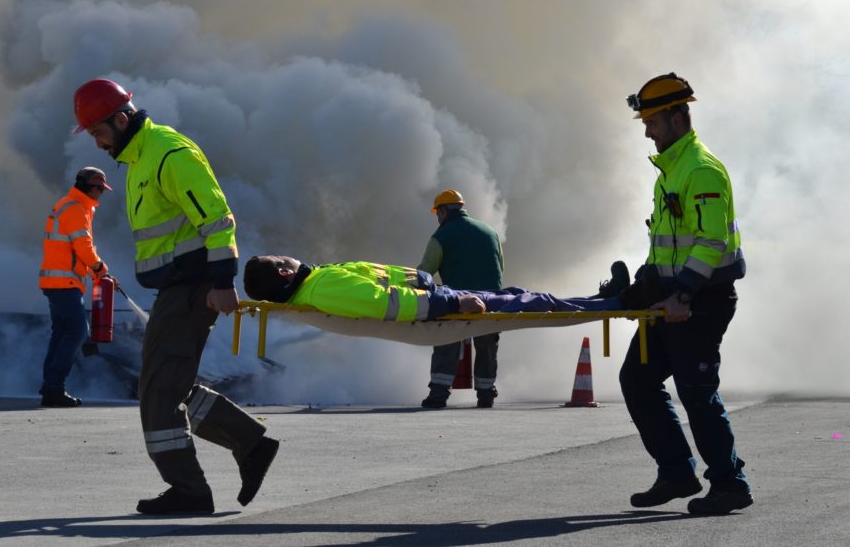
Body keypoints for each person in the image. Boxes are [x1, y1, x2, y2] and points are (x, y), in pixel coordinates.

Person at [73, 78, 278, 515]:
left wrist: (223, 282)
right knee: (171, 383)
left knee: (158, 392)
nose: (97, 143)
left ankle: (189, 490)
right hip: (178, 288)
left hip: (192, 287)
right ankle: (249, 443)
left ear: (121, 119)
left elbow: (218, 220)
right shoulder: (142, 158)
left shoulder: (168, 152)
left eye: (98, 132)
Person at [618, 72, 752, 516]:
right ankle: (676, 472)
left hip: (703, 301)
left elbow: (711, 242)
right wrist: (641, 286)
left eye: (653, 121)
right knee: (636, 379)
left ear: (678, 117)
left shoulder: (700, 168)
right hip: (672, 297)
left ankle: (730, 484)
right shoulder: (670, 171)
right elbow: (666, 241)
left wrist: (684, 296)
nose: (647, 130)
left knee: (696, 391)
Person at [242, 255, 642, 322]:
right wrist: (452, 300)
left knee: (525, 295)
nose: (292, 257)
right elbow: (388, 304)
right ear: (282, 274)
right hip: (444, 304)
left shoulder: (317, 281)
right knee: (532, 303)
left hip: (440, 293)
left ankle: (601, 299)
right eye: (285, 259)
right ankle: (616, 301)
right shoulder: (324, 286)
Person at [417, 189, 505, 409]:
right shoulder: (490, 232)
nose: (437, 217)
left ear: (445, 211)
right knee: (487, 347)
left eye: (438, 212)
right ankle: (486, 395)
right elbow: (500, 267)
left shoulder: (441, 236)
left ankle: (438, 395)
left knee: (447, 340)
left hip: (459, 302)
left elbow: (424, 274)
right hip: (491, 301)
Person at [38, 167, 115, 408]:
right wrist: (100, 268)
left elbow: (73, 249)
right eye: (100, 189)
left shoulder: (70, 204)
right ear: (91, 187)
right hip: (64, 283)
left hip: (57, 281)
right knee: (78, 331)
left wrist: (96, 272)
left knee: (61, 332)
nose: (101, 194)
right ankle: (54, 387)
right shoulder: (76, 208)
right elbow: (83, 246)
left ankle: (50, 386)